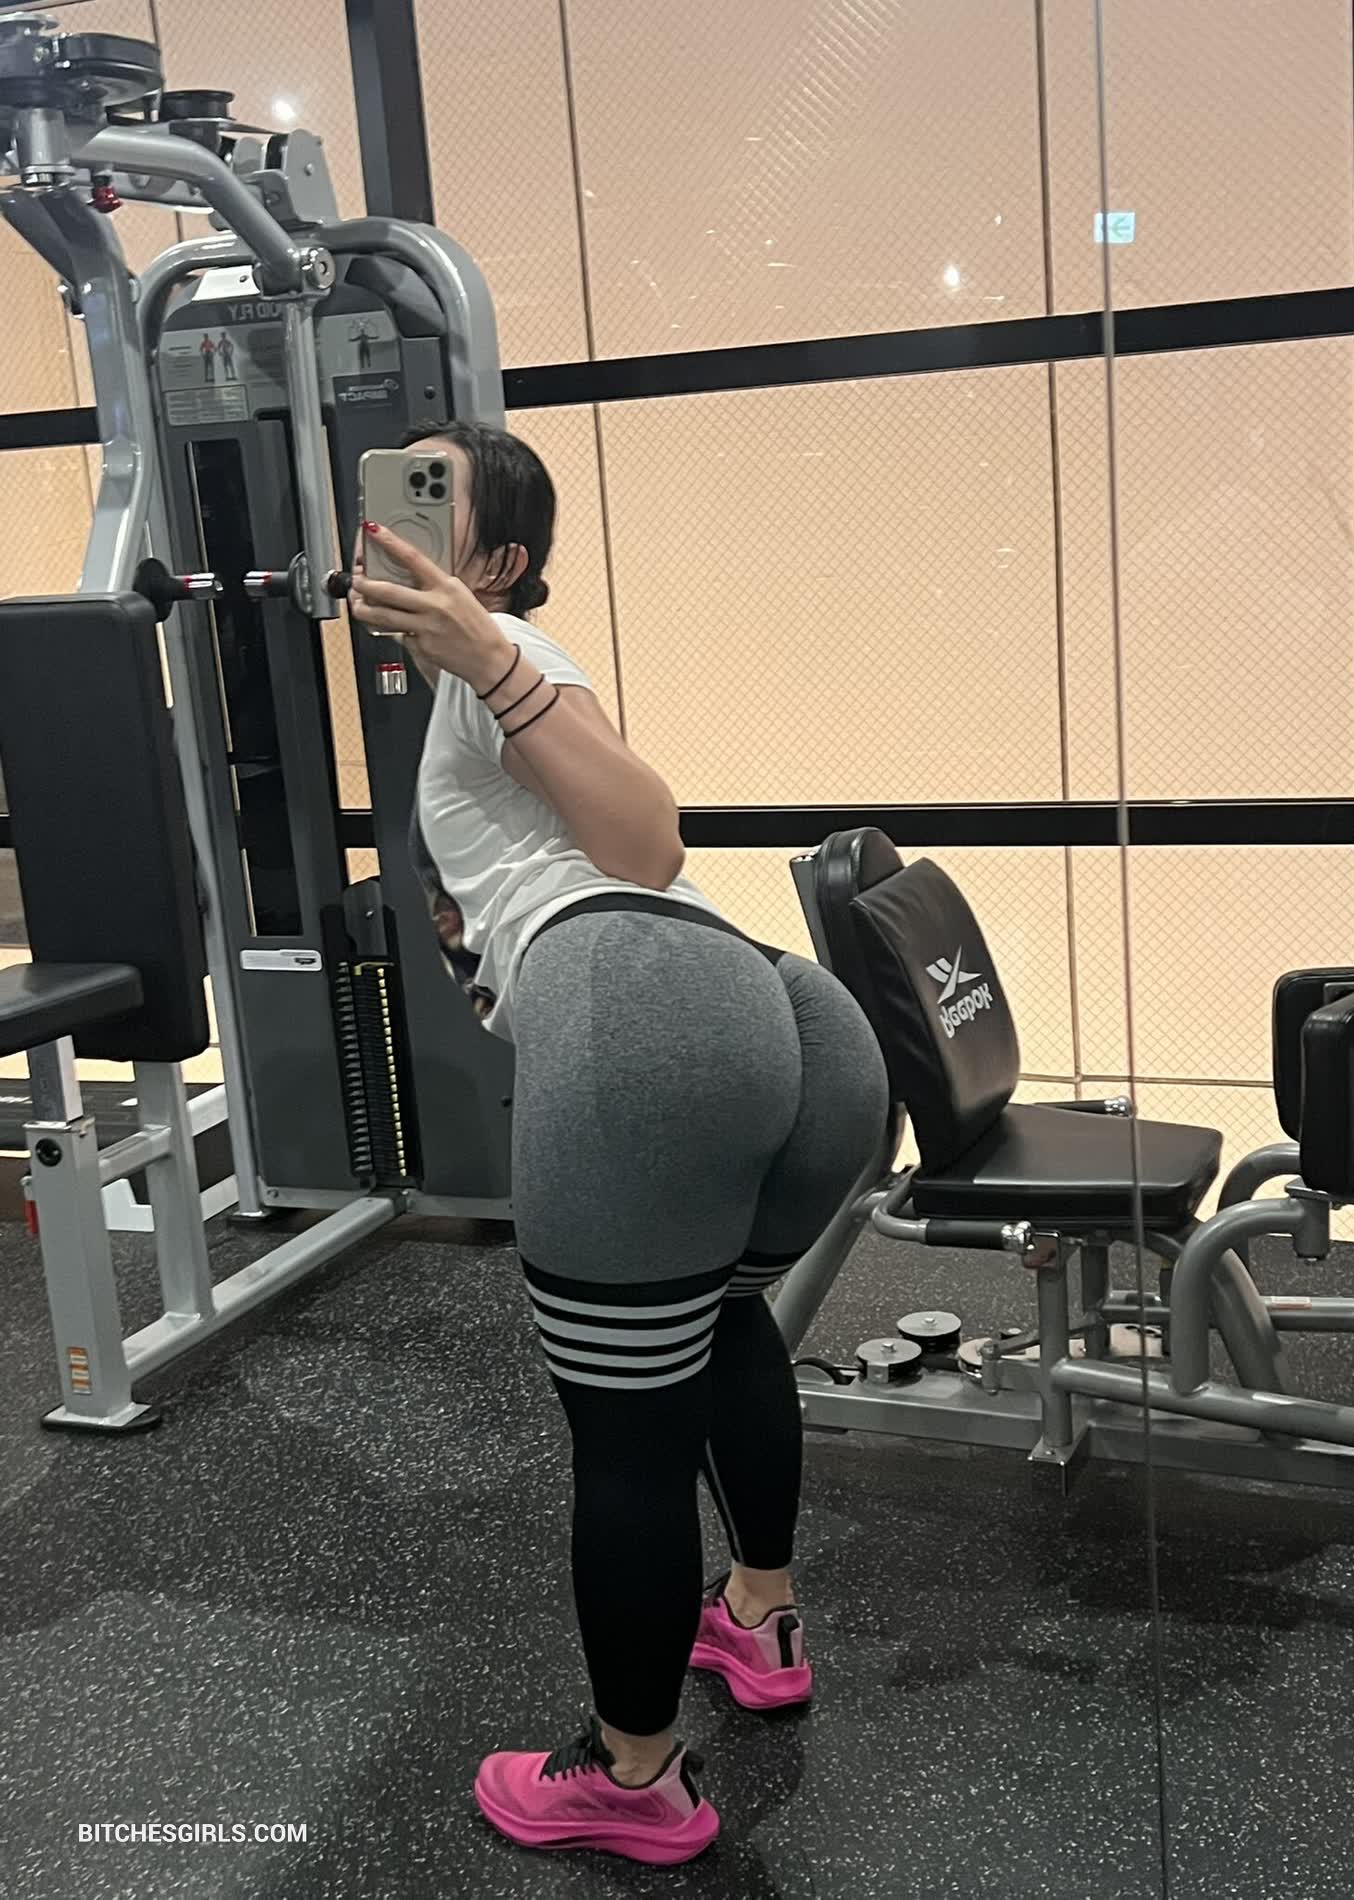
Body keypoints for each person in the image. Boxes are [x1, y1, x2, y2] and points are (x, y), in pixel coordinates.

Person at [347, 421, 887, 1867]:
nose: (385, 522)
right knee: (726, 1324)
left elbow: (648, 836)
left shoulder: (506, 659)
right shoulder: (475, 684)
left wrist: (490, 654)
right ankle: (758, 1617)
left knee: (626, 1441)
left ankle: (633, 1776)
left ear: (499, 564)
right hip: (786, 1020)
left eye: (429, 503)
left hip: (649, 1014)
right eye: (384, 496)